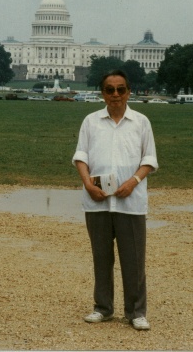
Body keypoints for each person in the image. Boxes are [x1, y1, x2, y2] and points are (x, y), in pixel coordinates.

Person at [72, 70, 158, 331]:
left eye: (121, 89)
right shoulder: (91, 121)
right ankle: (103, 307)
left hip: (130, 201)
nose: (116, 94)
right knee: (101, 257)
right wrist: (87, 184)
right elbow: (81, 156)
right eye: (110, 90)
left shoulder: (141, 121)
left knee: (133, 259)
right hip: (97, 200)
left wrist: (132, 182)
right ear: (103, 93)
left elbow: (149, 160)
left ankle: (136, 311)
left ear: (129, 92)